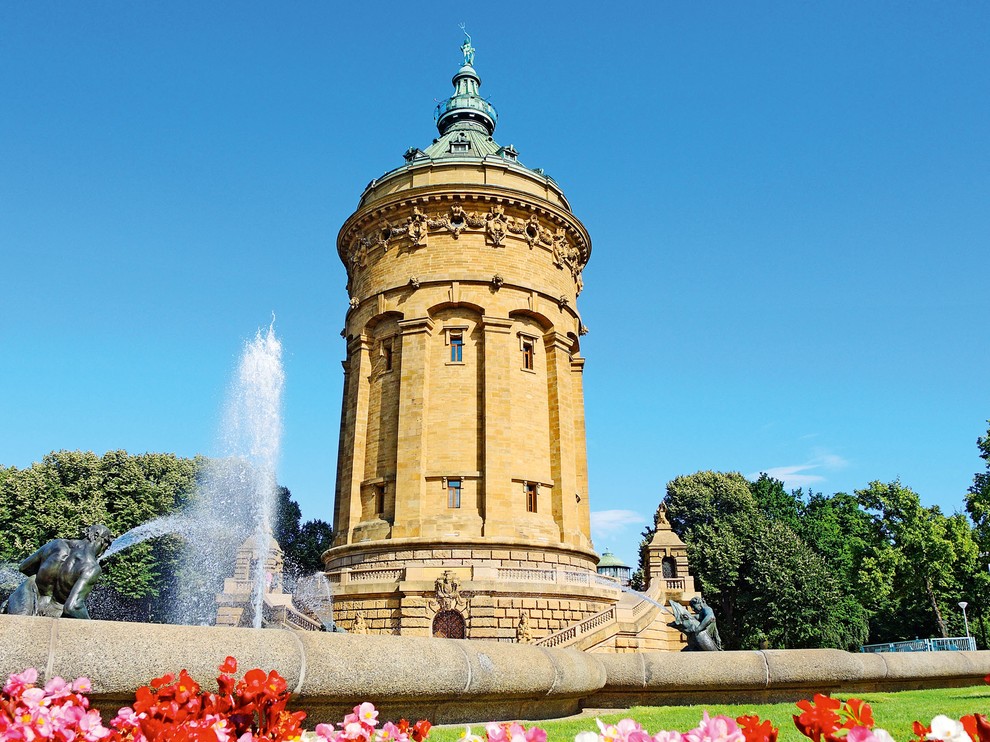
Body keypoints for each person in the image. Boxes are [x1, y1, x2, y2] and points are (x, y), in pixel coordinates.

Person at [1, 524, 113, 619]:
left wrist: (47, 577)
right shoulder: (91, 567)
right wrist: (94, 626)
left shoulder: (56, 544)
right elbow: (73, 607)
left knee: (31, 580)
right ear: (102, 541)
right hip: (55, 612)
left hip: (27, 597)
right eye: (106, 546)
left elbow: (24, 567)